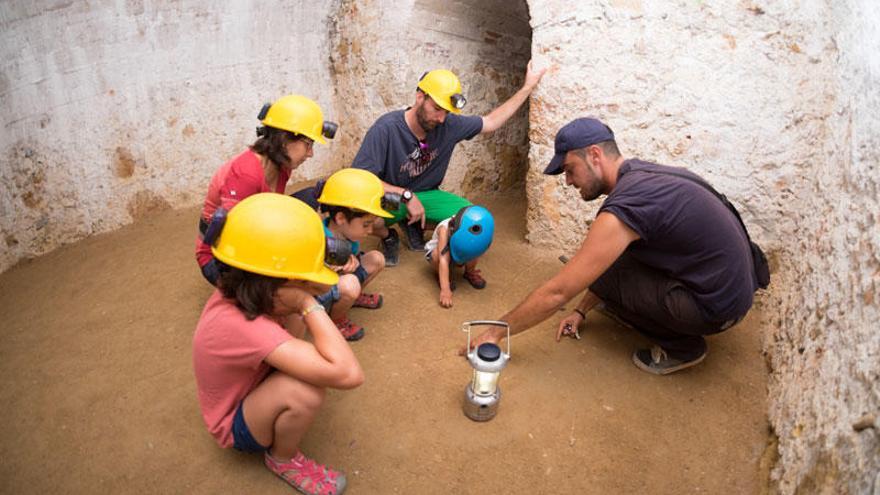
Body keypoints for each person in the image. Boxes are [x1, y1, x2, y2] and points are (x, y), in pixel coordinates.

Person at [467, 117, 761, 375]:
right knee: (605, 268)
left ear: (595, 155)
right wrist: (581, 311)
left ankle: (684, 348)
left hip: (718, 309)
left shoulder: (628, 204)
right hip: (731, 288)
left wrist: (495, 333)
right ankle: (648, 309)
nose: (568, 181)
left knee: (598, 274)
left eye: (570, 169)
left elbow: (558, 293)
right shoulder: (640, 175)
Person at [193, 193, 362, 495]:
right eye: (300, 278)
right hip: (233, 424)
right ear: (275, 280)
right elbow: (349, 374)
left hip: (253, 385)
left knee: (303, 345)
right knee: (306, 390)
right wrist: (306, 302)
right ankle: (283, 459)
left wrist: (305, 290)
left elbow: (317, 288)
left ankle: (276, 405)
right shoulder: (245, 326)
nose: (308, 283)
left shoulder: (246, 290)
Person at [351, 62, 546, 267]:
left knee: (474, 222)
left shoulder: (450, 124)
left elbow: (490, 122)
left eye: (447, 112)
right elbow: (360, 178)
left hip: (428, 194)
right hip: (394, 197)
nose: (442, 118)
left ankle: (415, 226)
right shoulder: (386, 128)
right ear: (420, 97)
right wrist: (406, 196)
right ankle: (389, 235)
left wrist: (527, 88)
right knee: (358, 213)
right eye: (437, 109)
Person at [195, 94, 337, 286]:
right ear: (285, 139)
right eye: (308, 144)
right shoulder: (246, 174)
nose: (310, 154)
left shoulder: (282, 165)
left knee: (313, 198)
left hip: (254, 227)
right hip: (219, 252)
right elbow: (233, 236)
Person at [314, 168, 394, 340]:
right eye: (366, 224)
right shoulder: (318, 237)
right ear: (341, 218)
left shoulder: (348, 234)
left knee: (377, 258)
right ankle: (336, 320)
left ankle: (352, 298)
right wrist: (329, 267)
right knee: (350, 284)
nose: (371, 230)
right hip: (318, 294)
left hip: (341, 281)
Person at [425, 205, 495, 308]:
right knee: (437, 255)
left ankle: (469, 272)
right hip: (440, 252)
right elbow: (443, 259)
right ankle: (443, 278)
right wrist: (445, 290)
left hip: (459, 250)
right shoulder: (444, 229)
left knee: (474, 248)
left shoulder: (471, 222)